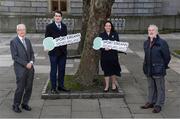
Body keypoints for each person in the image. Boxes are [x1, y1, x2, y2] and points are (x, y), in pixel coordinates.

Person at [141, 25, 171, 113]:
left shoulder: (162, 43)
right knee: (151, 86)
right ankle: (151, 101)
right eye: (149, 30)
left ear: (157, 32)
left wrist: (162, 65)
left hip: (158, 69)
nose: (151, 32)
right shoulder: (146, 43)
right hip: (148, 68)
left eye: (153, 30)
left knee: (160, 88)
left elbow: (167, 57)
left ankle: (158, 104)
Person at [10, 24, 35, 113]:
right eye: (20, 30)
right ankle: (15, 105)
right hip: (20, 69)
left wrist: (31, 62)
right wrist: (26, 64)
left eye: (23, 29)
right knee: (20, 88)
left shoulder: (28, 41)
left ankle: (25, 103)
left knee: (29, 87)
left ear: (25, 30)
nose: (22, 31)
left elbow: (32, 53)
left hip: (30, 68)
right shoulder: (14, 42)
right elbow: (15, 57)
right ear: (17, 31)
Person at [45, 10, 69, 94]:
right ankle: (53, 88)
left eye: (59, 16)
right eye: (56, 16)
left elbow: (65, 39)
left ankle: (61, 86)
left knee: (62, 70)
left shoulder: (64, 26)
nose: (57, 17)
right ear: (54, 17)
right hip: (53, 53)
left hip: (62, 53)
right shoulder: (49, 27)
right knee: (54, 71)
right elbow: (47, 39)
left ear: (61, 17)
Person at [99, 20, 121, 92]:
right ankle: (107, 85)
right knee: (106, 71)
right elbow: (99, 46)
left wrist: (113, 47)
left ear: (111, 27)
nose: (108, 27)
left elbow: (118, 44)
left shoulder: (115, 34)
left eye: (109, 26)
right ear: (104, 27)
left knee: (113, 70)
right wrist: (104, 48)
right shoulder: (101, 35)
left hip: (113, 55)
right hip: (105, 56)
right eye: (106, 26)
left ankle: (113, 84)